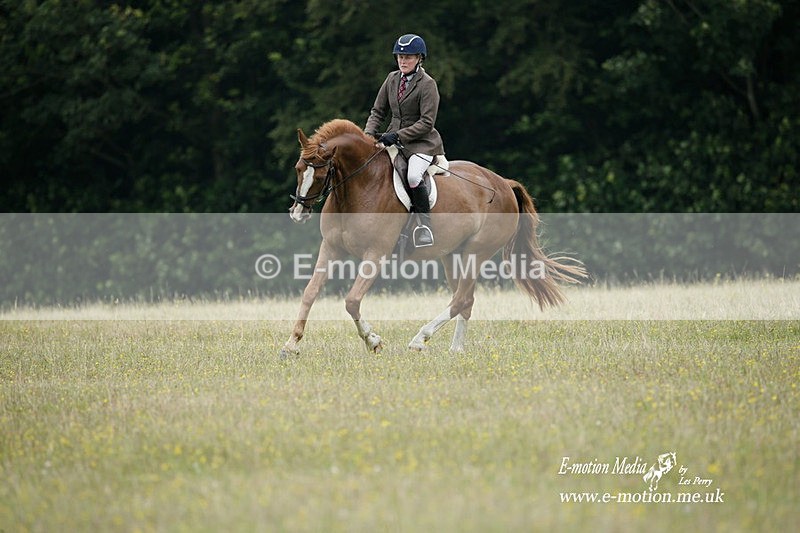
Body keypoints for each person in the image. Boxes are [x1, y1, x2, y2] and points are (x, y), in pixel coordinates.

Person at [365, 33, 444, 247]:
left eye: (408, 57)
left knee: (412, 176)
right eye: (399, 56)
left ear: (419, 58)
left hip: (422, 143)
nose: (403, 61)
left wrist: (397, 136)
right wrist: (368, 135)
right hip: (392, 139)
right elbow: (377, 111)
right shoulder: (392, 79)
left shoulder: (428, 85)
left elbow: (427, 122)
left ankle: (424, 226)